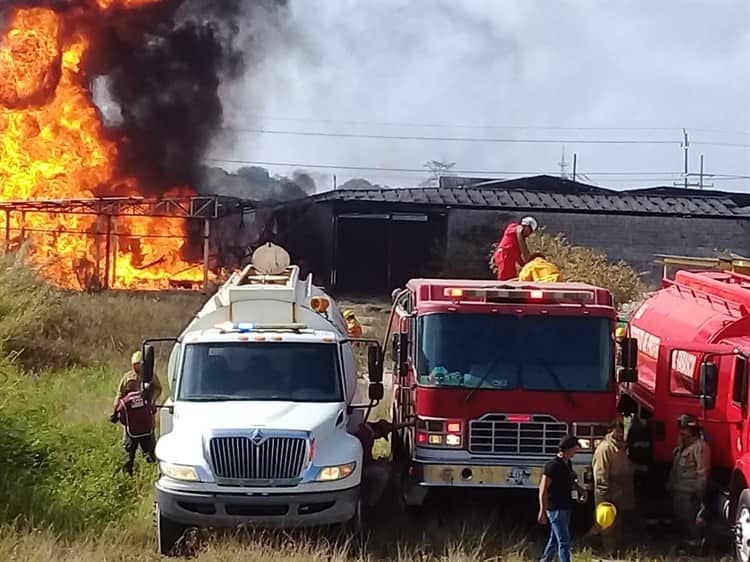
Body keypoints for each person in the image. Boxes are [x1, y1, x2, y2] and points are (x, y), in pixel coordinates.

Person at [590, 417, 636, 554]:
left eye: (621, 431)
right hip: (608, 493)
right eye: (617, 431)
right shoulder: (605, 449)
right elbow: (600, 474)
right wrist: (604, 497)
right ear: (609, 431)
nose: (620, 434)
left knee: (617, 524)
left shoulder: (619, 448)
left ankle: (613, 549)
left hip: (620, 493)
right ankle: (607, 550)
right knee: (606, 524)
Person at [538, 434, 585, 562]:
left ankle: (545, 560)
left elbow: (570, 481)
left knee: (554, 539)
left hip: (566, 505)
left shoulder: (567, 463)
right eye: (575, 448)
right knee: (564, 540)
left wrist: (581, 491)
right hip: (555, 509)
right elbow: (543, 489)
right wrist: (543, 511)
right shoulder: (552, 466)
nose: (576, 451)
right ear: (568, 449)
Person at [668, 413, 711, 549]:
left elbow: (702, 473)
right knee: (681, 523)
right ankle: (685, 546)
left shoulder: (700, 447)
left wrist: (698, 494)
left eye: (685, 429)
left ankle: (695, 548)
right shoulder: (682, 447)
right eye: (680, 429)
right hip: (678, 492)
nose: (681, 432)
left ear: (692, 430)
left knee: (691, 524)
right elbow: (675, 469)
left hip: (690, 494)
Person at [110, 379, 157, 475]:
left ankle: (128, 474)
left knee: (129, 455)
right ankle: (153, 473)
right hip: (147, 431)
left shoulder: (124, 401)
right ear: (136, 387)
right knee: (150, 454)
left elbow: (120, 415)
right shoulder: (146, 397)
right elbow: (153, 409)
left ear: (126, 390)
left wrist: (126, 423)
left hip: (132, 432)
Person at [493, 216, 538, 281]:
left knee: (512, 279)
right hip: (504, 255)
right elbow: (518, 230)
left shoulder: (520, 241)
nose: (529, 234)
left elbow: (519, 258)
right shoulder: (514, 227)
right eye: (530, 231)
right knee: (504, 278)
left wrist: (527, 265)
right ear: (526, 225)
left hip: (511, 260)